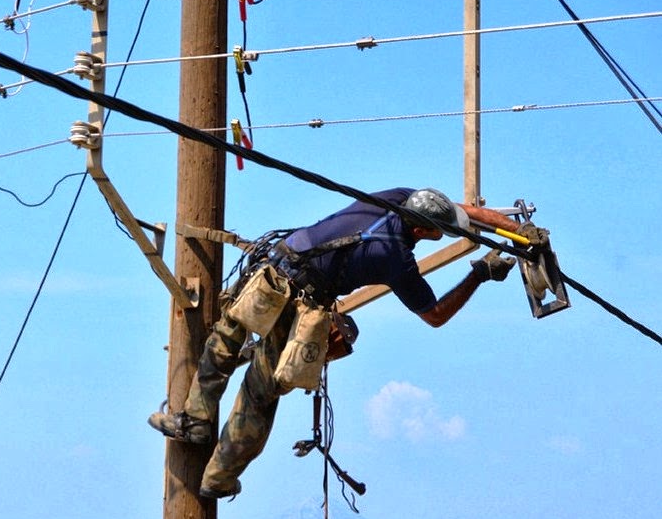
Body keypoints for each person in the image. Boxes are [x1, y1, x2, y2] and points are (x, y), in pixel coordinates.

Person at [148, 187, 549, 499]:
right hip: (300, 300)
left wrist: (516, 232)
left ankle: (196, 421)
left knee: (223, 343)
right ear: (422, 230)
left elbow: (464, 212)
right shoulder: (396, 259)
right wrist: (478, 274)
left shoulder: (398, 199)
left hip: (277, 270)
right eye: (437, 232)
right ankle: (217, 476)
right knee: (261, 391)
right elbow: (436, 315)